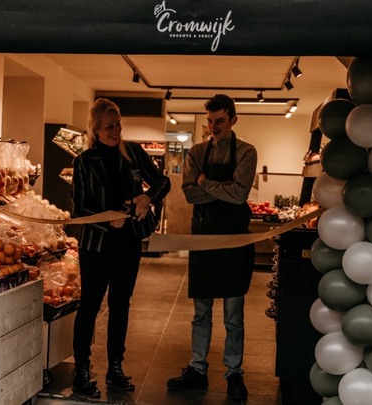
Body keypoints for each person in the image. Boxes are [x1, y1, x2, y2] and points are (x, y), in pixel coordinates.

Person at [71, 98, 171, 398]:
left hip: (128, 243)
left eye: (118, 125)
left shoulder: (134, 153)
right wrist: (106, 220)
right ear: (95, 129)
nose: (115, 131)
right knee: (90, 306)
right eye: (109, 127)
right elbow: (79, 210)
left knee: (121, 304)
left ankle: (115, 367)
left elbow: (163, 182)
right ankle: (82, 371)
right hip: (96, 245)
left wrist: (147, 198)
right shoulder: (84, 162)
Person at [167, 94, 257, 400]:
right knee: (201, 312)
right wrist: (223, 189)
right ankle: (198, 368)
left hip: (234, 241)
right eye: (210, 121)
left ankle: (234, 372)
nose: (213, 126)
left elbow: (240, 195)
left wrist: (204, 184)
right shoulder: (196, 152)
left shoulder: (246, 152)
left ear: (233, 120)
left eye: (219, 120)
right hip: (203, 239)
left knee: (234, 315)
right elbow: (189, 195)